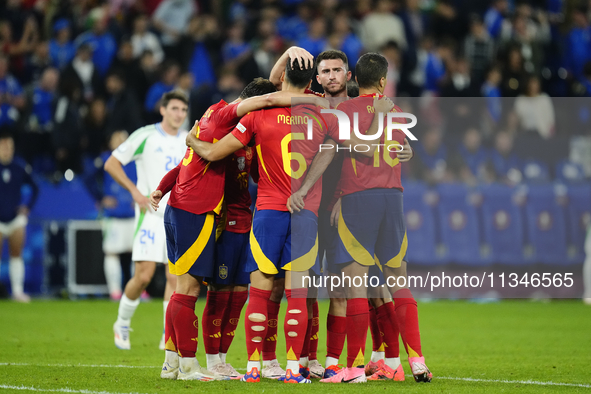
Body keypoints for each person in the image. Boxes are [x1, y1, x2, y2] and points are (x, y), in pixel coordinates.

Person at [189, 58, 390, 384]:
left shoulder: (258, 115)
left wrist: (193, 140)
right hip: (305, 214)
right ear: (312, 78)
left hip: (268, 211)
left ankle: (253, 368)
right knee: (298, 293)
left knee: (260, 290)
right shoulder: (325, 112)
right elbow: (357, 146)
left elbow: (214, 153)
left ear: (282, 77)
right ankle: (295, 369)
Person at [151, 75, 324, 381]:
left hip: (240, 217)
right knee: (206, 291)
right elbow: (194, 159)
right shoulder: (224, 123)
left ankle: (191, 361)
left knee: (238, 293)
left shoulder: (247, 133)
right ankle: (191, 361)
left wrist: (162, 188)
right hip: (208, 214)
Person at [320, 53, 432, 384]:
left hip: (359, 199)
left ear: (356, 79)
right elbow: (398, 153)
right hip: (393, 199)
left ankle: (353, 369)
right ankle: (414, 361)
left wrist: (339, 195)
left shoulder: (345, 111)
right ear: (383, 80)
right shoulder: (396, 112)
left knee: (356, 286)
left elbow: (356, 151)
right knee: (398, 282)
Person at [106, 90, 189, 351]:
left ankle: (167, 335)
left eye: (183, 110)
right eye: (175, 109)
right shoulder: (145, 135)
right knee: (143, 276)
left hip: (178, 217)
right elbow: (112, 163)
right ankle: (121, 322)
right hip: (150, 217)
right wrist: (134, 192)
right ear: (163, 110)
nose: (179, 114)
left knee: (174, 278)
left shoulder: (189, 140)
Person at [0, 132, 39, 302]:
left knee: (16, 254)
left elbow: (35, 188)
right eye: (3, 146)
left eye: (9, 146)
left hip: (15, 218)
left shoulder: (19, 167)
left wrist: (27, 207)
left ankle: (17, 291)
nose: (6, 150)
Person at [98, 131, 136, 301]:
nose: (120, 142)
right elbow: (88, 178)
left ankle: (138, 291)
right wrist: (101, 197)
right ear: (111, 142)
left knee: (139, 254)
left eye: (123, 139)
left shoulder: (136, 161)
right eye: (116, 139)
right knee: (111, 252)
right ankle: (114, 291)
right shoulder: (105, 160)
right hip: (112, 216)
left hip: (134, 214)